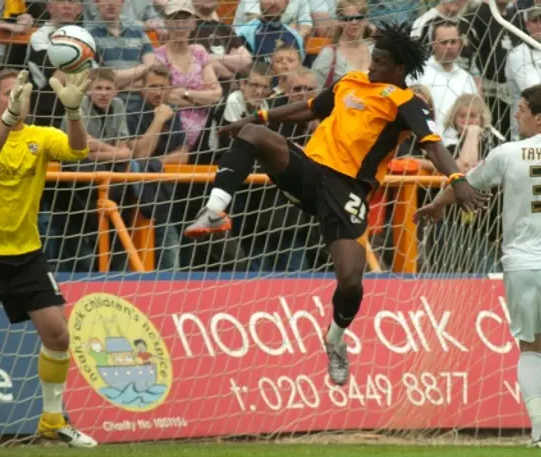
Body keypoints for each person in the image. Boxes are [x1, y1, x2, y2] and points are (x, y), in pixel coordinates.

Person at [184, 22, 486, 386]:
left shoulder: (406, 102)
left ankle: (335, 339)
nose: (372, 66)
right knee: (252, 134)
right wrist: (260, 116)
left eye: (381, 62)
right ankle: (215, 210)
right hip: (311, 171)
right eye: (373, 59)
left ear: (399, 69)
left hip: (349, 193)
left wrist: (457, 179)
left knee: (349, 281)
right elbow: (311, 108)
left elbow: (433, 144)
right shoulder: (350, 82)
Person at [0, 68, 97, 451]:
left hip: (26, 254)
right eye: (10, 94)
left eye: (22, 94)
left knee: (59, 334)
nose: (17, 100)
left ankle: (53, 421)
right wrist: (7, 121)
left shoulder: (41, 137)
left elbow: (79, 151)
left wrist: (74, 115)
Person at [414, 84, 541, 448]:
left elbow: (464, 183)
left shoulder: (507, 153)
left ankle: (538, 430)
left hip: (520, 264)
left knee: (531, 348)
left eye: (522, 109)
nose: (516, 115)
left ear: (539, 117)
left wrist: (439, 203)